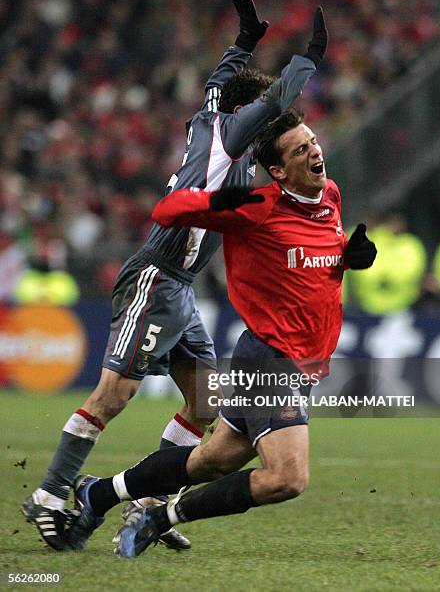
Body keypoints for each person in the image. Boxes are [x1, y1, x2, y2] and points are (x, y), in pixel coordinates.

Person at [22, 0, 327, 551]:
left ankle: (142, 503)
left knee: (205, 405)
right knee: (114, 393)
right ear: (246, 112)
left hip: (180, 289)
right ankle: (49, 495)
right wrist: (309, 57)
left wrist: (243, 42)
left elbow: (218, 81)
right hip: (156, 277)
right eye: (260, 114)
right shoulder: (234, 137)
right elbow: (280, 95)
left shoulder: (209, 117)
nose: (268, 123)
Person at [64, 111, 377, 557]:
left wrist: (349, 257)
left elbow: (308, 259)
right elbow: (167, 211)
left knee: (211, 460)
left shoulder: (329, 196)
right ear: (278, 170)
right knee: (288, 477)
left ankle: (98, 494)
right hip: (271, 359)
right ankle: (160, 516)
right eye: (300, 149)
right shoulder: (258, 207)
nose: (315, 151)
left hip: (302, 364)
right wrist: (217, 199)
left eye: (312, 141)